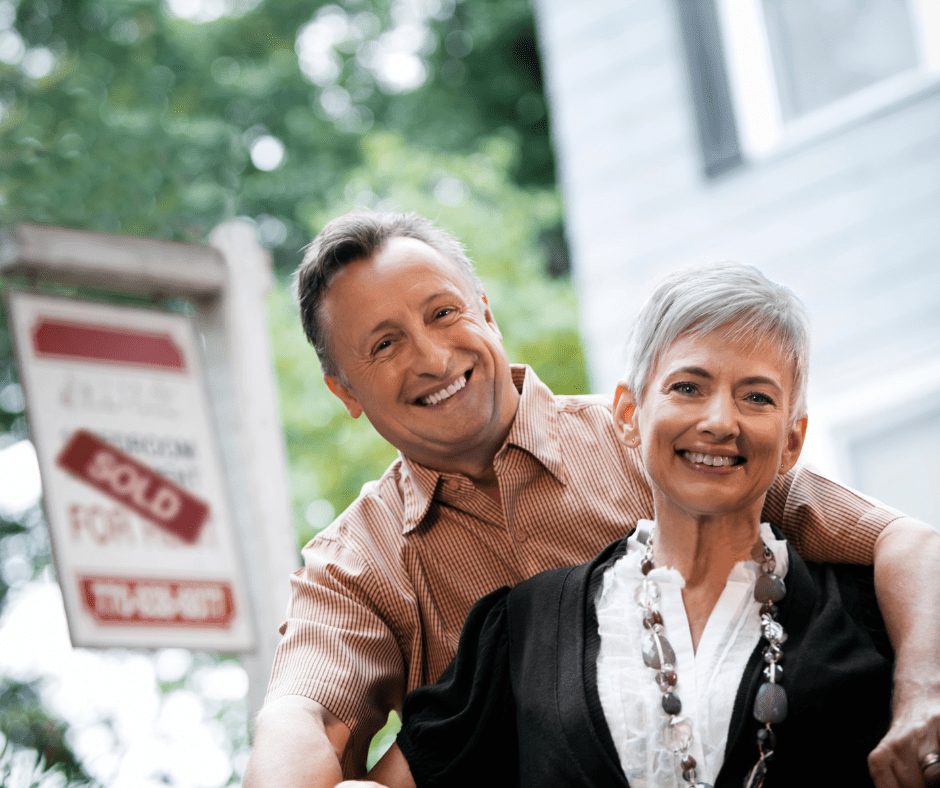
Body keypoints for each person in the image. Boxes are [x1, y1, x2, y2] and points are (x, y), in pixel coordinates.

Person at [243, 210, 940, 788]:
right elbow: (304, 712)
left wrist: (922, 700)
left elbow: (901, 543)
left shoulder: (663, 438)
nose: (430, 357)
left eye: (444, 312)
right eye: (385, 344)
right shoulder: (355, 562)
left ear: (486, 314)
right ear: (345, 393)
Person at [366, 262, 895, 787]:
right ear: (627, 415)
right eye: (687, 387)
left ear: (792, 442)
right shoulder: (525, 631)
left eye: (756, 397)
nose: (717, 421)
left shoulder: (869, 616)